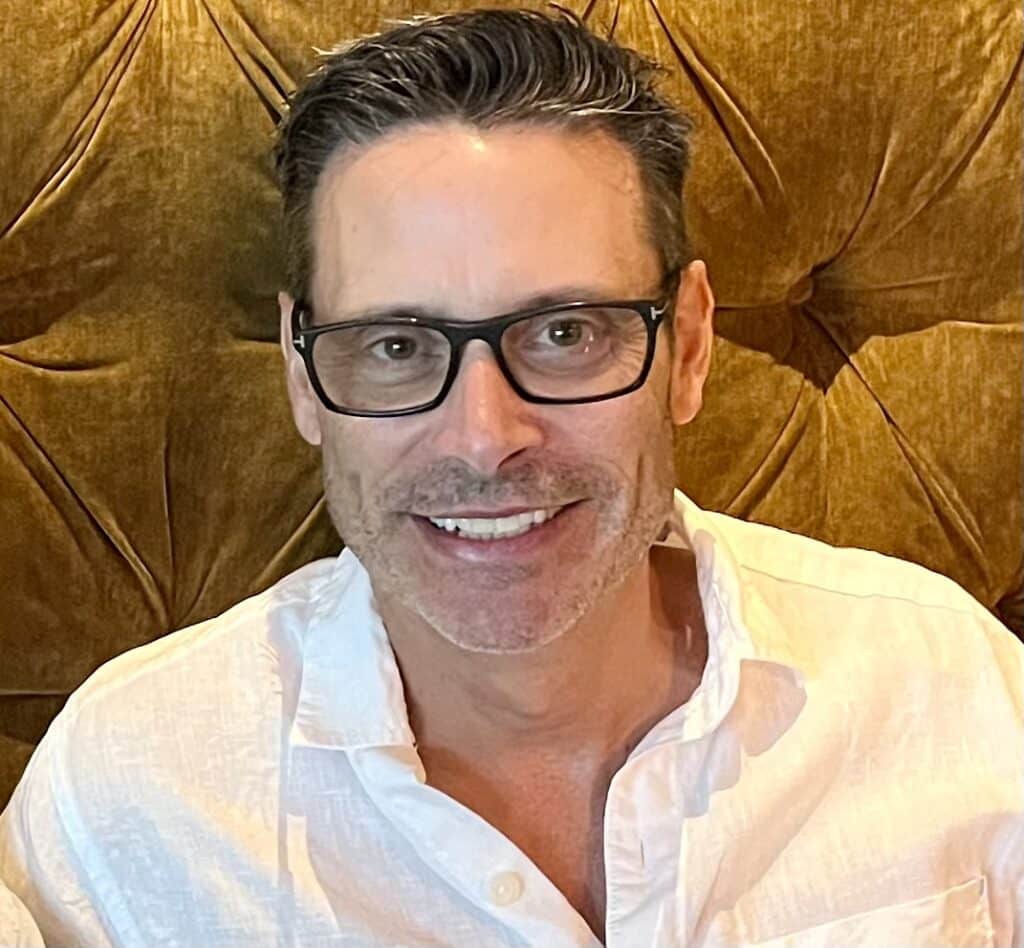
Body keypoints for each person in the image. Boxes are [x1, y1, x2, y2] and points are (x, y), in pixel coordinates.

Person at [2, 7, 1021, 947]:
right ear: (304, 376)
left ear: (690, 346)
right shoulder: (128, 799)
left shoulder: (944, 685)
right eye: (396, 346)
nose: (485, 439)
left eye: (566, 333)